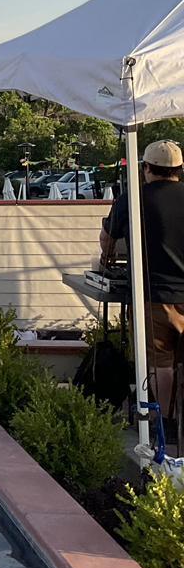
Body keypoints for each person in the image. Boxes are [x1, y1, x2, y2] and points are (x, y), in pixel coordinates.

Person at [100, 139, 184, 404]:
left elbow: (107, 239)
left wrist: (110, 255)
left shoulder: (132, 200)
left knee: (160, 364)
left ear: (146, 167)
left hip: (153, 296)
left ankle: (165, 425)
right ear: (180, 168)